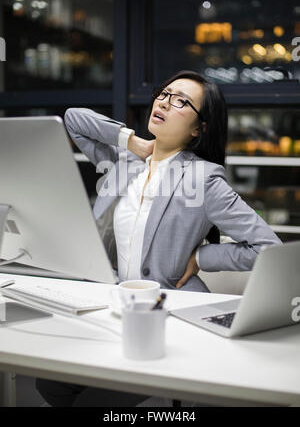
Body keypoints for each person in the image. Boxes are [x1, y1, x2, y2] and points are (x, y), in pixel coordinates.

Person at [36, 70, 281, 406]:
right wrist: (130, 141)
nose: (165, 102)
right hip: (113, 310)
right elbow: (73, 120)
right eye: (164, 94)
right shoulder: (123, 164)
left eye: (181, 101)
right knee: (50, 384)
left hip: (170, 318)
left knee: (91, 403)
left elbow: (267, 247)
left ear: (198, 129)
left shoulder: (203, 178)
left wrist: (201, 259)